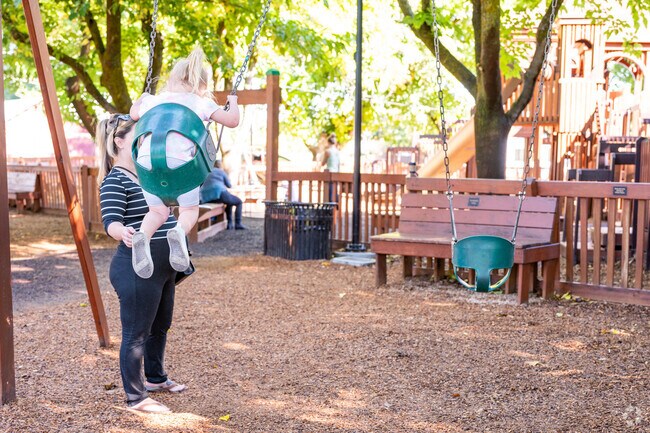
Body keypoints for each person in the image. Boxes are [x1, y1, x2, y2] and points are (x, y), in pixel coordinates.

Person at [98, 113, 187, 414]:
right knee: (136, 332)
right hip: (136, 267)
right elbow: (110, 220)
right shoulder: (116, 179)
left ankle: (155, 379)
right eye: (138, 135)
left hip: (163, 266)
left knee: (160, 326)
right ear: (120, 141)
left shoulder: (144, 176)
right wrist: (121, 232)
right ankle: (136, 398)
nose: (144, 140)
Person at [129, 47, 240, 279]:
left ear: (171, 80)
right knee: (189, 209)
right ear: (202, 86)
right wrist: (233, 101)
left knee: (157, 210)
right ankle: (179, 232)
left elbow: (132, 114)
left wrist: (141, 98)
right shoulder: (201, 103)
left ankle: (143, 235)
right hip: (181, 165)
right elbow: (232, 120)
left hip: (146, 164)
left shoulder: (153, 100)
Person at [200, 160, 246, 230]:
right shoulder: (221, 171)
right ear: (220, 165)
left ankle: (230, 223)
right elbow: (229, 185)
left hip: (206, 197)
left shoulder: (207, 171)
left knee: (229, 202)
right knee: (238, 202)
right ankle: (238, 223)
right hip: (219, 193)